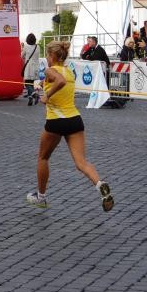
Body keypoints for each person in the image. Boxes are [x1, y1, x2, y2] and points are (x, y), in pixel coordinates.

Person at [26, 41, 114, 212]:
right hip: (74, 119)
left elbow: (59, 82)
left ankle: (41, 197)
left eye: (47, 55)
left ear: (52, 56)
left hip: (57, 121)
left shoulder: (51, 70)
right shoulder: (69, 71)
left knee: (43, 158)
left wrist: (46, 96)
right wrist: (42, 89)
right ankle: (100, 184)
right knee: (81, 162)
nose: (47, 59)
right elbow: (59, 82)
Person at [21, 33, 40, 106]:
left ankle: (34, 94)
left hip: (29, 67)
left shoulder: (26, 47)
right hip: (35, 66)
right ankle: (30, 100)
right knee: (31, 83)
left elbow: (21, 55)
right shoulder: (38, 47)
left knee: (26, 83)